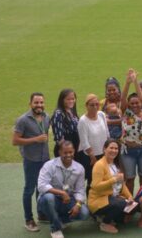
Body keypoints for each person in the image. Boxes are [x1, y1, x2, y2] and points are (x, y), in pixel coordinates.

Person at [13, 92, 51, 232]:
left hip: (44, 159)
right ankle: (28, 219)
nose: (39, 105)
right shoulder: (23, 120)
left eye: (41, 102)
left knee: (41, 188)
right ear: (30, 104)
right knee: (29, 189)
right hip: (31, 160)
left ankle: (41, 214)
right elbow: (15, 140)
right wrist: (35, 139)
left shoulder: (47, 117)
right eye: (36, 103)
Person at [37, 140, 90, 238]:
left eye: (70, 152)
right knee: (49, 198)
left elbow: (80, 190)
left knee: (84, 213)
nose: (68, 155)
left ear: (74, 151)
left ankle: (58, 220)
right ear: (59, 152)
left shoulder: (79, 168)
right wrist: (61, 193)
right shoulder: (49, 165)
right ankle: (55, 228)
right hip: (48, 199)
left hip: (67, 200)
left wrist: (78, 205)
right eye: (65, 152)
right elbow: (41, 185)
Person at [88, 139, 134, 234]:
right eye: (111, 148)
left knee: (132, 208)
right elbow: (96, 186)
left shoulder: (117, 164)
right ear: (104, 149)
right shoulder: (99, 165)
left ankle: (105, 217)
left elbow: (122, 185)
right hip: (98, 200)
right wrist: (114, 180)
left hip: (113, 198)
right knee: (121, 204)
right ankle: (105, 223)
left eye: (116, 148)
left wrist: (130, 196)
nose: (114, 150)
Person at [120, 72, 142, 194]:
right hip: (128, 152)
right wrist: (128, 82)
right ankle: (130, 203)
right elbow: (122, 99)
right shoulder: (126, 113)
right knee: (130, 178)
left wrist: (136, 81)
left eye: (137, 102)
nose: (134, 105)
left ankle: (141, 200)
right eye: (132, 103)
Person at [77, 94, 109, 187]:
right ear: (86, 106)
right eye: (92, 105)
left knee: (103, 178)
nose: (95, 107)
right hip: (90, 157)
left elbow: (106, 132)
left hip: (103, 154)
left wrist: (107, 151)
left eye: (97, 104)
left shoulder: (101, 114)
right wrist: (92, 157)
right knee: (92, 181)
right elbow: (84, 142)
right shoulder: (83, 121)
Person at [50, 89, 80, 159]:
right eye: (68, 99)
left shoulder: (72, 111)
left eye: (73, 99)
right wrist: (68, 152)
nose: (71, 101)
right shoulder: (59, 114)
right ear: (62, 100)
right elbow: (59, 138)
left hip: (74, 149)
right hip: (66, 152)